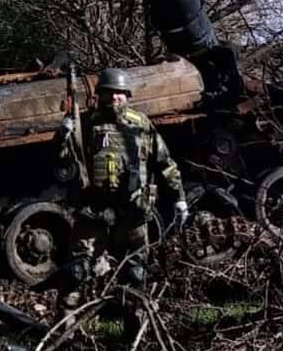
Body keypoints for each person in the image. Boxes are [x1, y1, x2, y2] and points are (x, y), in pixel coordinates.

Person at [58, 67, 189, 313]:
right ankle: (65, 334)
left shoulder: (141, 124)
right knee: (76, 273)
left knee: (135, 275)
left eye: (120, 93)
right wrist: (63, 136)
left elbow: (165, 163)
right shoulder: (85, 124)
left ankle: (133, 338)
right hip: (93, 212)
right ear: (100, 96)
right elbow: (63, 163)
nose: (115, 98)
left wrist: (179, 198)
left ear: (128, 96)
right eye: (110, 93)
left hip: (133, 212)